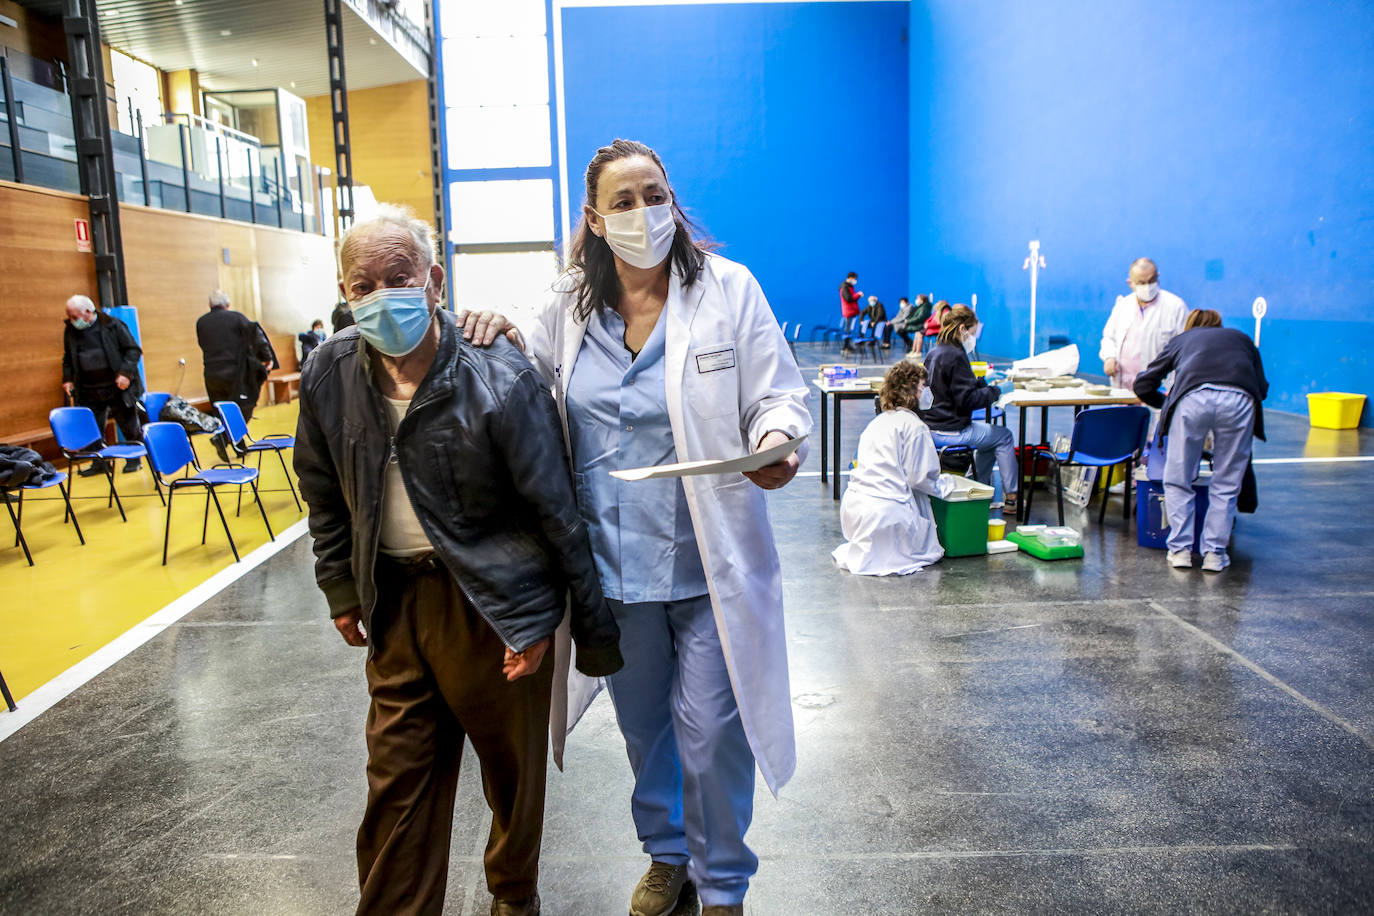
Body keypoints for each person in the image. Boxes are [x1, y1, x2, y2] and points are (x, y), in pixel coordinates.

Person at [293, 204, 624, 916]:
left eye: (398, 277)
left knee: (512, 774)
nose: (381, 296)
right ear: (344, 293)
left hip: (493, 607)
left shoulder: (497, 373)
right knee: (397, 782)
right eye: (362, 285)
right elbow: (321, 491)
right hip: (395, 603)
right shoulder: (328, 372)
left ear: (434, 281)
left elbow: (554, 509)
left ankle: (513, 896)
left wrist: (549, 622)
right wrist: (339, 586)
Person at [520, 139, 812, 916]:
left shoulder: (727, 289)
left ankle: (723, 885)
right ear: (594, 219)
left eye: (656, 195)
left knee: (712, 730)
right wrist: (481, 328)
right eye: (623, 201)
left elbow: (777, 395)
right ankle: (667, 854)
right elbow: (520, 391)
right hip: (610, 570)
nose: (644, 212)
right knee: (645, 729)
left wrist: (775, 439)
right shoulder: (564, 309)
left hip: (710, 561)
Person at [1134, 308, 1268, 572]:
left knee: (1178, 478)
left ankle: (1180, 551)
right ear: (1219, 325)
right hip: (1239, 400)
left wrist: (1165, 403)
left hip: (1192, 399)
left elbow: (1144, 384)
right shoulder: (1241, 339)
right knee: (1227, 482)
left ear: (1190, 325)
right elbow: (1261, 388)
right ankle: (1215, 554)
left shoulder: (1183, 340)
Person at [833, 360, 954, 575]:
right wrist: (947, 484)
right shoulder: (915, 427)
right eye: (923, 386)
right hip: (886, 517)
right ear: (911, 390)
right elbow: (921, 479)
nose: (927, 392)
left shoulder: (877, 423)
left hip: (854, 511)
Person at [921, 304, 1018, 515]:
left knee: (990, 439)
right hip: (951, 430)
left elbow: (954, 388)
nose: (973, 338)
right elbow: (969, 400)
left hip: (932, 426)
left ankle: (978, 488)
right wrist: (997, 391)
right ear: (963, 329)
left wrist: (982, 382)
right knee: (1004, 436)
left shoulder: (935, 352)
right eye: (973, 332)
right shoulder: (956, 355)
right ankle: (1012, 498)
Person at [60, 295, 144, 475]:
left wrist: (125, 374)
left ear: (87, 312)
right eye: (69, 317)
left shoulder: (113, 325)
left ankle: (134, 459)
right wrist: (67, 379)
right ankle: (100, 463)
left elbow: (133, 350)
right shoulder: (70, 331)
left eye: (74, 317)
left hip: (117, 386)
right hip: (88, 389)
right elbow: (68, 358)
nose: (72, 321)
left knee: (128, 424)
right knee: (93, 428)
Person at [1099, 257, 1187, 390]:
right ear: (1130, 283)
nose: (1147, 286)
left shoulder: (1176, 307)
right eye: (1141, 283)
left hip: (1159, 387)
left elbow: (1186, 346)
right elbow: (1109, 337)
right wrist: (1109, 357)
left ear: (1157, 277)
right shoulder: (1123, 306)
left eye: (1151, 281)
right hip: (1123, 385)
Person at [195, 290, 276, 421]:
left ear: (210, 305)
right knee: (242, 407)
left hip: (211, 375)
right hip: (235, 374)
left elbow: (202, 344)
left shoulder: (201, 322)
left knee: (220, 410)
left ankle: (224, 432)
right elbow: (257, 337)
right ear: (228, 304)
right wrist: (267, 358)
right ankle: (237, 432)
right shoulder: (237, 318)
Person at [838, 271, 861, 356]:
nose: (855, 281)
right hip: (848, 312)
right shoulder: (844, 287)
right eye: (855, 279)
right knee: (847, 330)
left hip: (851, 311)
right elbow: (849, 299)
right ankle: (845, 347)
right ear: (850, 278)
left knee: (849, 330)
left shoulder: (849, 286)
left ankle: (848, 346)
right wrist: (858, 295)